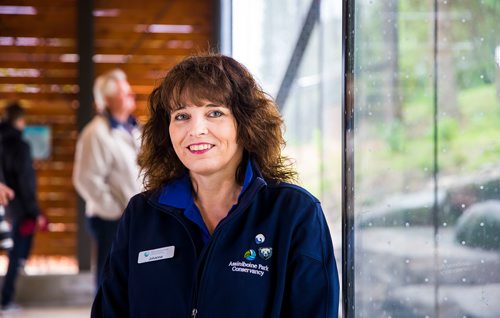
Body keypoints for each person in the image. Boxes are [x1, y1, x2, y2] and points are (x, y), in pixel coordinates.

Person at [91, 54, 340, 317]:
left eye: (214, 113)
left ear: (246, 124)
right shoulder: (141, 214)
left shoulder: (295, 213)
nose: (196, 129)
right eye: (182, 115)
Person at [73, 68, 142, 289]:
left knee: (130, 277)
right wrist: (116, 211)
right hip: (110, 219)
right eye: (124, 92)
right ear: (108, 99)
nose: (131, 95)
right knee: (109, 277)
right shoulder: (96, 133)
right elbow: (86, 180)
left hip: (134, 215)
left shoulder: (135, 129)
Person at [0, 102, 46, 310]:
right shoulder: (21, 146)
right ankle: (6, 300)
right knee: (17, 254)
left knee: (13, 254)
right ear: (20, 121)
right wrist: (35, 211)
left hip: (6, 209)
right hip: (19, 209)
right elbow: (26, 183)